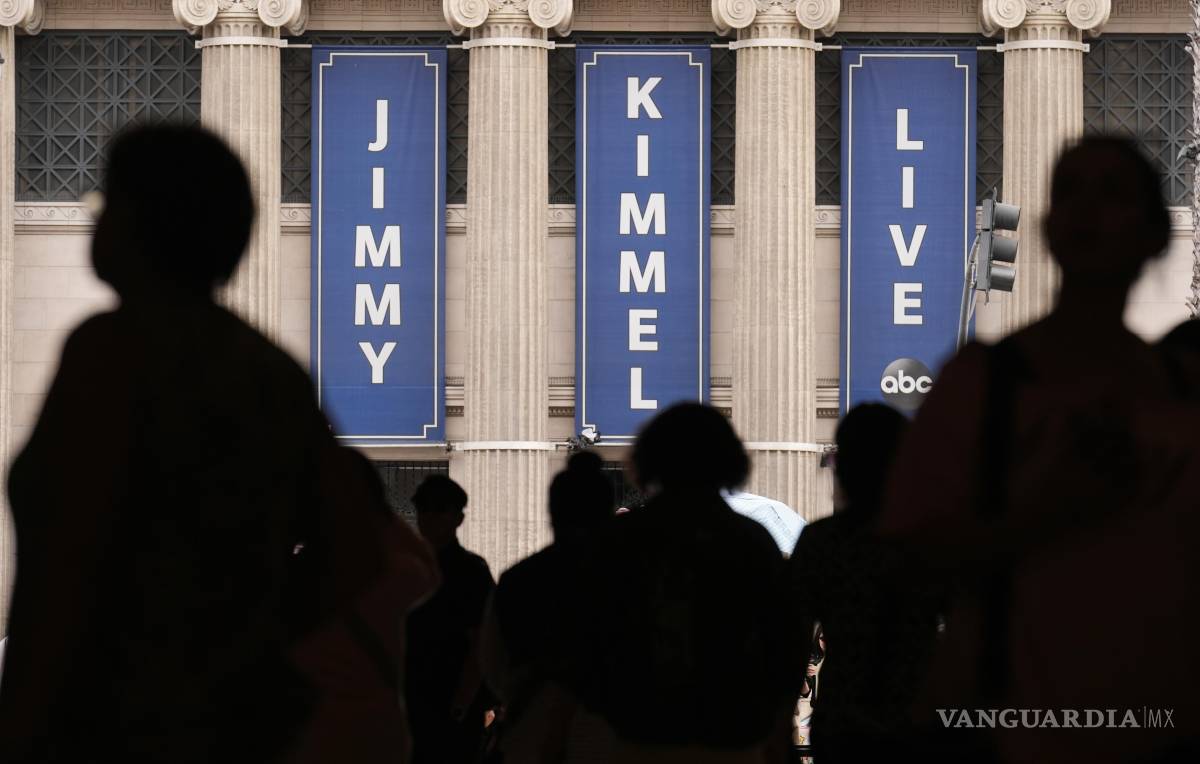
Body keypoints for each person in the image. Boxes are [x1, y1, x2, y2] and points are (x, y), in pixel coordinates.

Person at [0, 123, 437, 763]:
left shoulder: (113, 352)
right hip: (233, 726)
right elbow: (361, 547)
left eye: (105, 204)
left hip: (107, 721)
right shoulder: (267, 371)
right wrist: (256, 641)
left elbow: (66, 567)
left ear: (146, 223)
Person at [881, 136, 1200, 761]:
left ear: (1156, 233)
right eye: (1071, 192)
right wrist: (1046, 510)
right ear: (1051, 228)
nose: (1089, 212)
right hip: (1017, 726)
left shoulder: (1179, 398)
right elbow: (903, 562)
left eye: (1113, 194)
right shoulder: (982, 383)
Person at [568, 403, 799, 763]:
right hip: (731, 735)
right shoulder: (752, 542)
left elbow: (585, 641)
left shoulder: (619, 543)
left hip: (638, 734)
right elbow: (784, 643)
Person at [787, 403, 939, 762]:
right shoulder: (932, 540)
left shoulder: (823, 541)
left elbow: (788, 640)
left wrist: (779, 728)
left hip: (845, 714)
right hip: (920, 712)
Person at [478, 450, 616, 763]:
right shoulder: (636, 577)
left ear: (553, 513)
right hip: (612, 737)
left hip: (533, 733)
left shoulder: (519, 580)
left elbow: (492, 663)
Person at [406, 475, 495, 764]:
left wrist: (459, 708)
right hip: (416, 702)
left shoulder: (470, 572)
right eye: (424, 510)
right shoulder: (404, 566)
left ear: (457, 517)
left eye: (438, 510)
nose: (429, 519)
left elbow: (480, 644)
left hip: (447, 704)